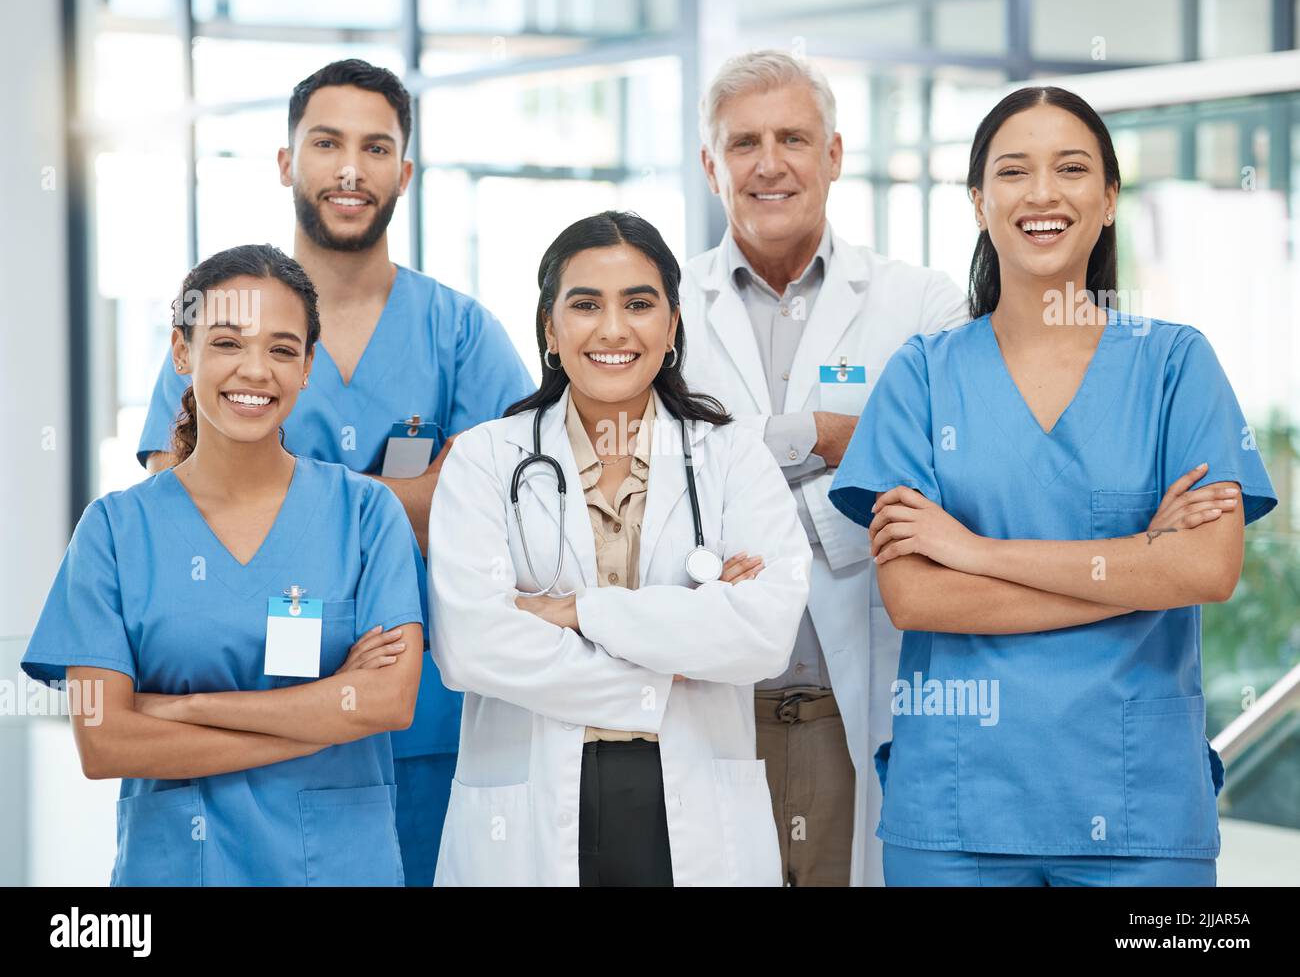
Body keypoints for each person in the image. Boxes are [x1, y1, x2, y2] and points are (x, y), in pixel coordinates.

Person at [828, 86, 1277, 886]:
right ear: (978, 201)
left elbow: (1206, 570)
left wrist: (975, 550)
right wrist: (1141, 566)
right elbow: (918, 598)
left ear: (1108, 199)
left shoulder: (1177, 366)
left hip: (1140, 820)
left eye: (1071, 169)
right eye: (1013, 171)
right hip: (958, 818)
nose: (1042, 193)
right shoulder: (922, 377)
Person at [134, 60, 534, 886]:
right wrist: (411, 501)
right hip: (240, 710)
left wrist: (287, 494)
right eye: (326, 143)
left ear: (404, 173)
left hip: (426, 719)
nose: (350, 169)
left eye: (375, 147)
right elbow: (180, 509)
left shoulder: (460, 332)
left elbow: (511, 510)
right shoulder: (222, 324)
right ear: (287, 163)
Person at [427, 211, 812, 885]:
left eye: (639, 303)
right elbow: (470, 645)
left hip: (692, 805)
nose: (612, 329)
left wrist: (575, 610)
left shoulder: (730, 457)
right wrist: (675, 655)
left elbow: (762, 635)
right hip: (532, 808)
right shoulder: (486, 459)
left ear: (671, 326)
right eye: (585, 305)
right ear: (550, 328)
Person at [22, 244, 425, 885]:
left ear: (308, 367)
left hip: (338, 866)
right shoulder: (115, 531)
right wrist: (318, 719)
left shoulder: (366, 515)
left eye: (283, 349)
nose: (256, 370)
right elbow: (105, 744)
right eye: (228, 343)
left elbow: (387, 701)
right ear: (183, 352)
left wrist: (181, 709)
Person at [679, 50, 970, 886]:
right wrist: (830, 437)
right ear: (711, 165)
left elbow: (950, 464)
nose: (769, 163)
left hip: (861, 693)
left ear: (833, 156)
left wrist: (748, 454)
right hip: (717, 693)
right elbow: (663, 470)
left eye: (793, 138)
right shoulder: (660, 306)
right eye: (743, 144)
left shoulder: (921, 302)